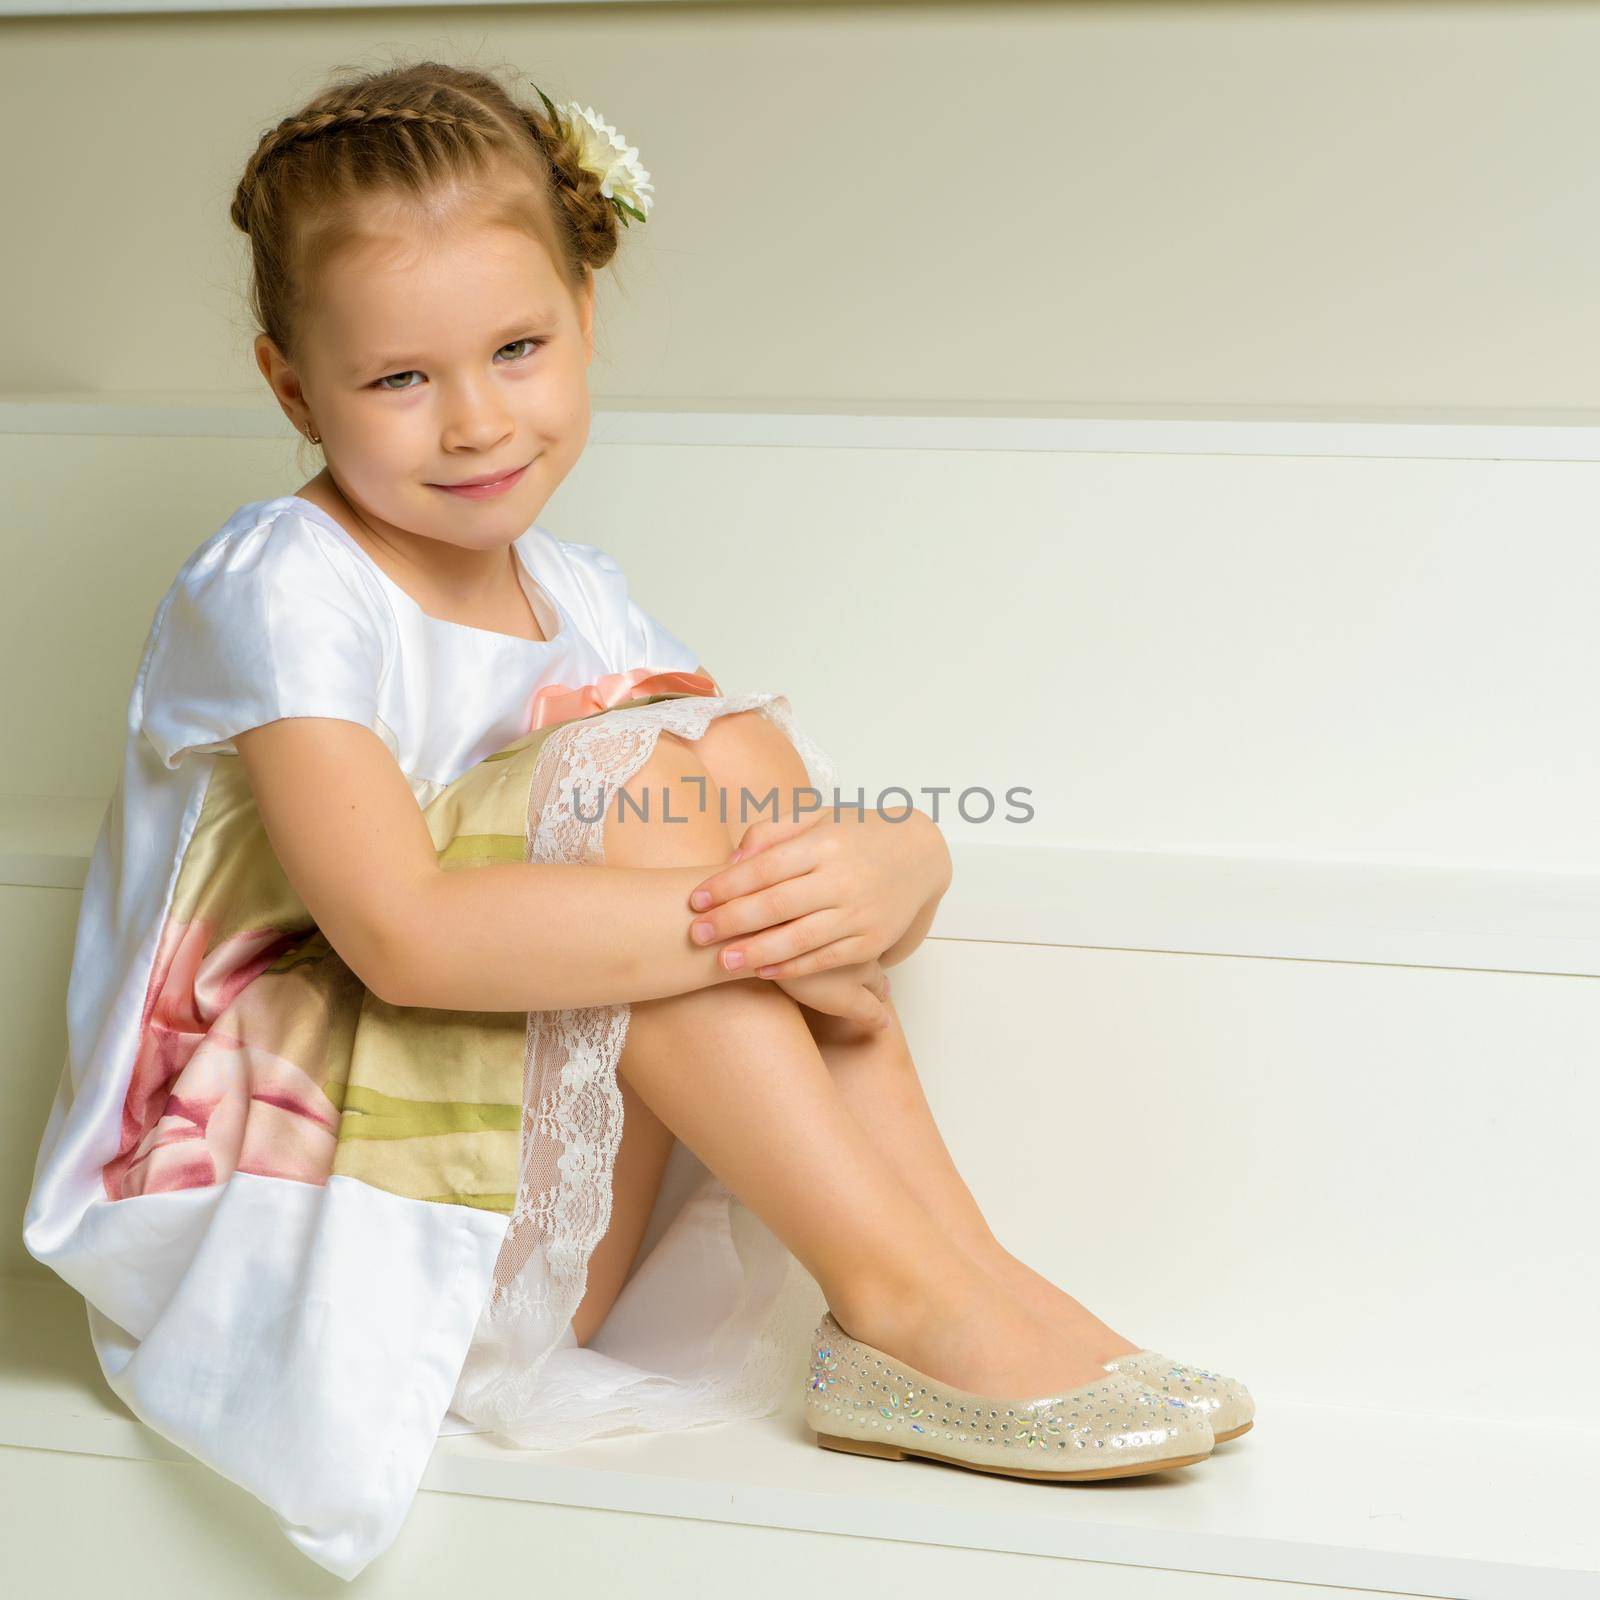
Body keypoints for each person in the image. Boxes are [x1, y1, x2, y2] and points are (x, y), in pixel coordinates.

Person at [22, 60, 1251, 1581]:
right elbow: (400, 936)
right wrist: (732, 918)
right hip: (315, 1235)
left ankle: (953, 1273)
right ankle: (904, 1302)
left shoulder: (580, 595)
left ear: (585, 328)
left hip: (526, 1195)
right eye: (400, 379)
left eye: (519, 349)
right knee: (662, 791)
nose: (475, 420)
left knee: (714, 743)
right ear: (292, 387)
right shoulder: (285, 580)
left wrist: (899, 861)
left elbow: (736, 803)